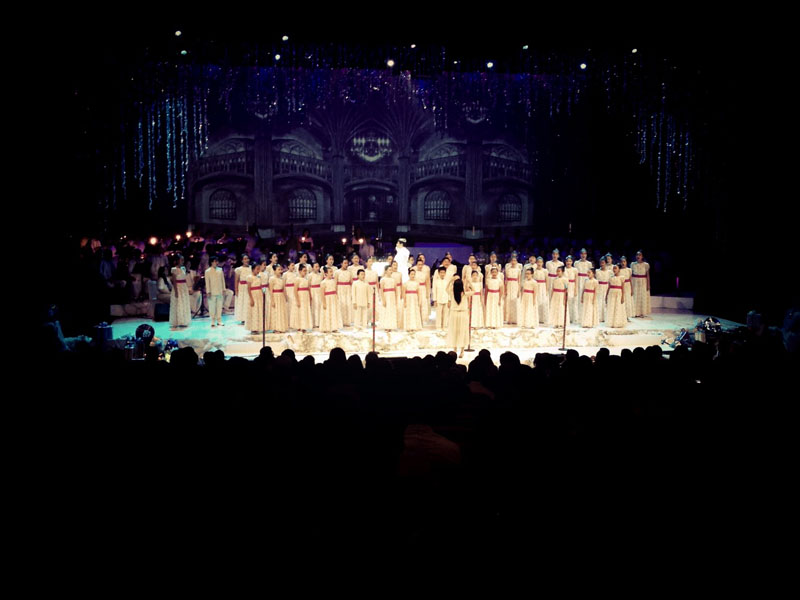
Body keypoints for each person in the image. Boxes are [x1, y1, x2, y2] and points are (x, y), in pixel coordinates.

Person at [447, 278, 470, 358]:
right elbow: (474, 291)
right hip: (463, 314)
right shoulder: (465, 294)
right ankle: (462, 351)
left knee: (455, 332)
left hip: (454, 314)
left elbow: (446, 288)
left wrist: (450, 280)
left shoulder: (452, 293)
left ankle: (455, 350)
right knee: (462, 332)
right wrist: (469, 282)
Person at [169, 253, 192, 328]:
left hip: (183, 287)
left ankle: (184, 320)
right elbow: (174, 281)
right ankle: (179, 320)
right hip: (178, 287)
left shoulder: (183, 268)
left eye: (183, 260)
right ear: (177, 260)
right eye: (181, 260)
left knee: (184, 302)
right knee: (179, 303)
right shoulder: (174, 269)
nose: (182, 261)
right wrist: (176, 291)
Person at [205, 255, 227, 327]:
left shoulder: (220, 270)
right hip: (212, 292)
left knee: (219, 306)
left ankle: (219, 320)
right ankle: (212, 321)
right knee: (212, 307)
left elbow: (222, 280)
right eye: (215, 261)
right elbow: (207, 282)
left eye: (217, 261)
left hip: (219, 291)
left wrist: (224, 289)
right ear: (211, 262)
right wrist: (208, 291)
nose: (216, 262)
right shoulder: (207, 271)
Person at [245, 262, 265, 335]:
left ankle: (258, 327)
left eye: (259, 269)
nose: (258, 271)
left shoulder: (259, 277)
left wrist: (263, 294)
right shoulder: (249, 277)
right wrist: (251, 299)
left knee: (259, 311)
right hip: (253, 295)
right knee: (254, 311)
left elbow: (261, 286)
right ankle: (253, 328)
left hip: (259, 295)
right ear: (253, 269)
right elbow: (248, 289)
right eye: (257, 269)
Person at [319, 266, 342, 332]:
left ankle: (334, 327)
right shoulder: (323, 282)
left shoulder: (333, 281)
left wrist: (337, 298)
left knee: (333, 312)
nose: (332, 273)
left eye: (332, 271)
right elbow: (322, 294)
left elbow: (335, 290)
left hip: (333, 299)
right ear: (326, 273)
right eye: (330, 272)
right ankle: (326, 327)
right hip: (327, 299)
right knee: (327, 312)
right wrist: (324, 303)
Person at [268, 264, 288, 333]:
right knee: (276, 312)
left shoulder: (282, 279)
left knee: (281, 312)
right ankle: (276, 328)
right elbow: (270, 290)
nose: (280, 271)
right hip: (275, 296)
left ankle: (281, 327)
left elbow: (284, 289)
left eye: (281, 269)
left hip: (281, 296)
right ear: (274, 271)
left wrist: (285, 297)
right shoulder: (272, 279)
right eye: (278, 269)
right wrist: (272, 300)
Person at [504, 252, 522, 324]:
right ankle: (509, 319)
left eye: (515, 261)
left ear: (516, 261)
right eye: (512, 261)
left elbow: (519, 281)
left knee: (515, 301)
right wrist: (505, 289)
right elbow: (506, 280)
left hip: (515, 285)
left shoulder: (518, 270)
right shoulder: (508, 269)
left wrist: (519, 290)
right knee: (509, 301)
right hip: (509, 285)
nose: (513, 262)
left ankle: (515, 319)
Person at [233, 254, 252, 324]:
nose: (247, 260)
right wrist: (236, 290)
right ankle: (243, 318)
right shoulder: (239, 269)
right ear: (242, 260)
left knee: (248, 301)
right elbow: (236, 280)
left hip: (249, 286)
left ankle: (249, 317)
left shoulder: (251, 268)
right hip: (242, 288)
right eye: (245, 259)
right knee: (243, 302)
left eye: (247, 258)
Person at [632, 250, 651, 317]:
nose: (638, 256)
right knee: (635, 296)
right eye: (637, 255)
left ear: (642, 256)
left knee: (642, 296)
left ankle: (642, 312)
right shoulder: (633, 264)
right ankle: (635, 312)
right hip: (635, 282)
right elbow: (631, 275)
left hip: (643, 282)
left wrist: (648, 285)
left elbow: (647, 275)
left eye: (640, 255)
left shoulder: (646, 265)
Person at [294, 264, 313, 332]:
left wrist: (310, 297)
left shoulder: (306, 279)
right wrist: (297, 300)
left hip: (306, 297)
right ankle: (300, 326)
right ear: (299, 271)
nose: (305, 272)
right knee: (300, 311)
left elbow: (308, 288)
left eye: (306, 271)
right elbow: (295, 290)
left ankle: (304, 326)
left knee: (305, 311)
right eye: (304, 271)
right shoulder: (297, 279)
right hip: (300, 296)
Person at [336, 258, 354, 327]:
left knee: (347, 305)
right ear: (341, 264)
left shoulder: (349, 272)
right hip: (340, 289)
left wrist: (352, 292)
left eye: (347, 263)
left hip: (347, 289)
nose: (346, 265)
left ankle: (347, 321)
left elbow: (352, 283)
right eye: (345, 263)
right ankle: (341, 321)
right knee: (341, 305)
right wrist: (335, 292)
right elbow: (335, 283)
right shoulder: (337, 272)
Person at [414, 254, 431, 322]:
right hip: (416, 289)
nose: (420, 266)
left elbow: (427, 282)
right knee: (416, 303)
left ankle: (422, 319)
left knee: (423, 304)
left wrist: (428, 292)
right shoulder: (413, 270)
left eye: (421, 265)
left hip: (423, 289)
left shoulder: (425, 272)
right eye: (419, 264)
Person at [533, 256, 550, 325]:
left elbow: (547, 281)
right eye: (538, 262)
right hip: (536, 287)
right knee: (536, 301)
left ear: (543, 263)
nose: (539, 264)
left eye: (540, 262)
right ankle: (536, 318)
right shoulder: (534, 271)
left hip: (542, 287)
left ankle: (543, 318)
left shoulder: (545, 271)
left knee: (543, 302)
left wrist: (546, 290)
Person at [564, 255, 579, 324]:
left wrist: (576, 289)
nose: (568, 262)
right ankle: (566, 318)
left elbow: (576, 280)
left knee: (572, 302)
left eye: (570, 261)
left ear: (572, 262)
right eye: (567, 261)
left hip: (572, 286)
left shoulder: (575, 270)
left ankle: (572, 318)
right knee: (566, 301)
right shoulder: (564, 269)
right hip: (566, 286)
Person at [596, 257, 611, 323]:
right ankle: (599, 317)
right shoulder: (597, 271)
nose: (602, 264)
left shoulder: (609, 272)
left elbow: (610, 281)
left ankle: (606, 317)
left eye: (603, 263)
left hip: (606, 287)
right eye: (601, 263)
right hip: (599, 287)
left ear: (605, 263)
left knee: (605, 301)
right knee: (599, 301)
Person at [619, 256, 634, 321]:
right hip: (621, 287)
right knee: (622, 301)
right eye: (622, 262)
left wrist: (632, 289)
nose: (623, 263)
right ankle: (621, 316)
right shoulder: (619, 270)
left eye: (624, 261)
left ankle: (627, 316)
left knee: (627, 301)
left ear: (626, 262)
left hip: (628, 286)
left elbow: (630, 280)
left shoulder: (629, 270)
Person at [309, 262, 324, 328]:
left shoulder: (320, 275)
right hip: (313, 291)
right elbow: (309, 285)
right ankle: (314, 322)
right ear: (312, 268)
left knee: (319, 305)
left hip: (319, 291)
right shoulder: (310, 275)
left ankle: (320, 322)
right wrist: (310, 294)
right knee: (314, 306)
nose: (317, 268)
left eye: (318, 266)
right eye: (316, 267)